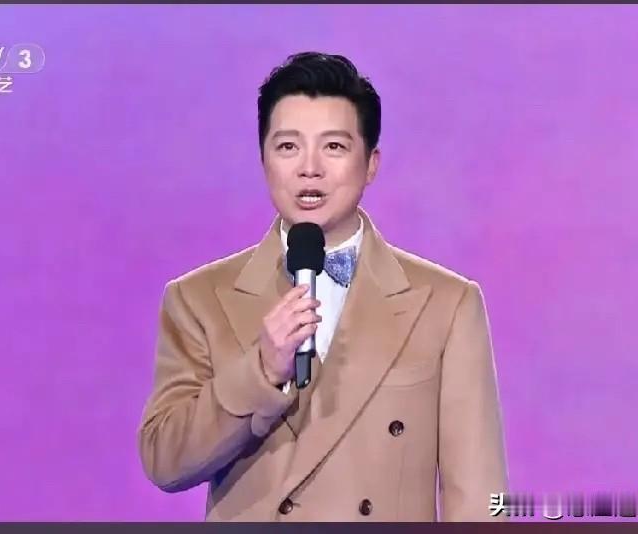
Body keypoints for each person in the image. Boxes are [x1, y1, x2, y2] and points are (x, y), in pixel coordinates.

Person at [138, 51, 508, 521]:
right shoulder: (197, 299)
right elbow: (165, 462)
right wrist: (259, 371)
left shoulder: (446, 303)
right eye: (288, 147)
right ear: (263, 159)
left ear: (370, 163)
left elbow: (477, 496)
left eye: (333, 146)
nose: (309, 168)